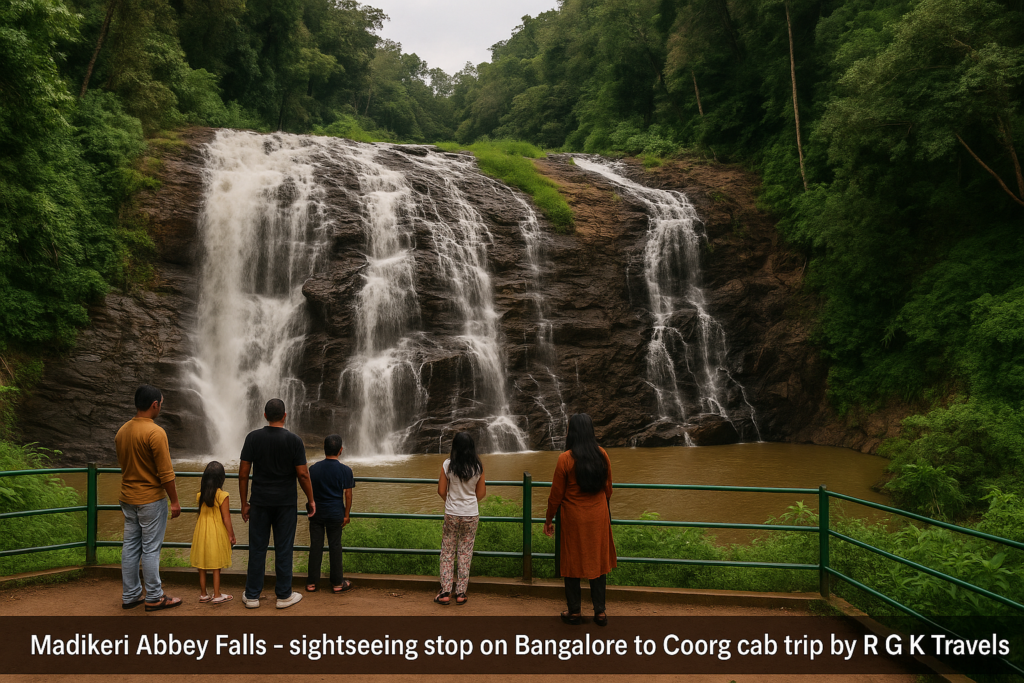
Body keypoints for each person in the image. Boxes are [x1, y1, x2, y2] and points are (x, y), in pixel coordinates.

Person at [238, 398, 316, 609]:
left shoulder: (252, 438)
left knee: (257, 548)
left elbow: (243, 474)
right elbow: (303, 474)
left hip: (260, 502)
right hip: (285, 504)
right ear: (285, 416)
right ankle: (283, 596)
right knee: (284, 549)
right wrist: (311, 500)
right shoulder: (294, 441)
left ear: (264, 416)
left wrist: (244, 503)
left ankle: (252, 596)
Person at [544, 413, 616, 626]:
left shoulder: (565, 458)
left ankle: (575, 612)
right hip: (598, 516)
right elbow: (608, 489)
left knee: (572, 561)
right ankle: (600, 612)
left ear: (571, 432)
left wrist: (549, 519)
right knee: (598, 561)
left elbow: (556, 495)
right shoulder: (602, 454)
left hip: (573, 517)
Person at [115, 384, 182, 611]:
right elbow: (165, 472)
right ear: (155, 405)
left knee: (130, 547)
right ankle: (154, 596)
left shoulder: (122, 431)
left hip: (128, 498)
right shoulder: (155, 432)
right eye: (161, 403)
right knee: (151, 549)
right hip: (150, 499)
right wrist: (174, 500)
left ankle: (131, 594)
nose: (161, 407)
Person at [435, 431, 486, 606]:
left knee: (447, 551)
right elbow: (481, 493)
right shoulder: (478, 466)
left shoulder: (448, 465)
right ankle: (461, 593)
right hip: (471, 514)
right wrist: (468, 503)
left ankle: (445, 592)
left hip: (452, 513)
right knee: (465, 552)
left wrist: (452, 502)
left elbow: (441, 491)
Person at [305, 434, 355, 594]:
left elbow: (308, 490)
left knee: (315, 547)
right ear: (341, 450)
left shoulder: (313, 469)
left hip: (317, 512)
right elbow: (348, 494)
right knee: (335, 547)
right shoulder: (345, 470)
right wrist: (346, 515)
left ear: (323, 448)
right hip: (335, 513)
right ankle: (337, 584)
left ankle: (311, 583)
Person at [190, 460, 236, 604]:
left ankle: (203, 594)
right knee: (216, 565)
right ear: (221, 478)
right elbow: (226, 518)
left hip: (201, 531)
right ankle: (217, 595)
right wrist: (231, 535)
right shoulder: (222, 495)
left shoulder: (200, 495)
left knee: (202, 565)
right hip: (216, 531)